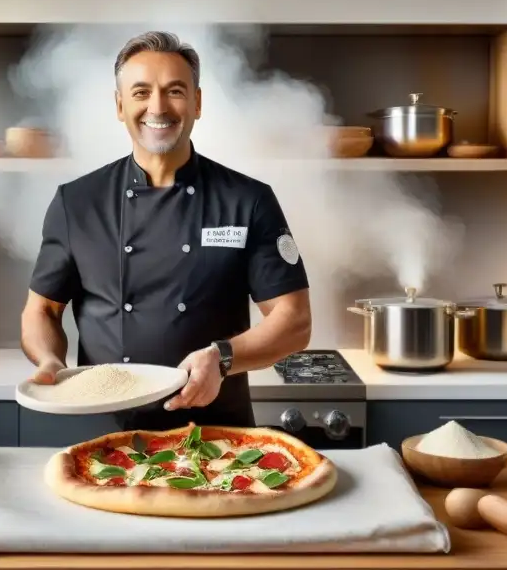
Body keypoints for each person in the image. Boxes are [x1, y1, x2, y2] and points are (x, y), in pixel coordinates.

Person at [20, 30, 311, 433]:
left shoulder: (248, 200)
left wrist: (223, 357)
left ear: (197, 102)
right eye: (140, 93)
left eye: (174, 91)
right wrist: (49, 360)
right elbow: (42, 310)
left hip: (216, 433)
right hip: (103, 430)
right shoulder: (77, 203)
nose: (157, 107)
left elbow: (294, 320)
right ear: (120, 106)